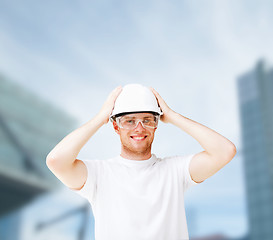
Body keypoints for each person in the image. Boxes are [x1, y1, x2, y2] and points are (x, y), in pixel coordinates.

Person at [46, 84, 237, 240]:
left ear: (157, 124)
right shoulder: (99, 174)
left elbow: (225, 151)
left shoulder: (175, 171)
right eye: (129, 121)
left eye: (147, 120)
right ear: (115, 126)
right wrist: (99, 118)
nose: (139, 128)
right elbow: (56, 161)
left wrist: (173, 116)